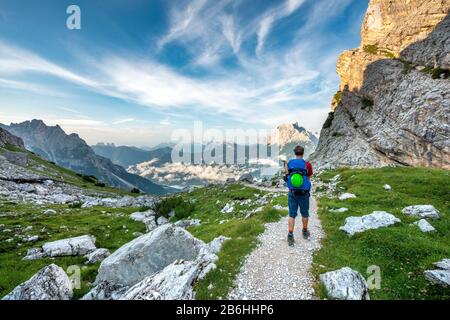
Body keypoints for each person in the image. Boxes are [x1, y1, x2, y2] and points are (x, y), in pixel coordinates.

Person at [284, 145, 313, 246]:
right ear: (303, 153)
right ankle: (305, 231)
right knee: (305, 213)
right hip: (304, 193)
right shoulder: (307, 164)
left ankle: (290, 235)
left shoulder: (289, 163)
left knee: (292, 214)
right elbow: (309, 177)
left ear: (294, 153)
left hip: (292, 193)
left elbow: (287, 176)